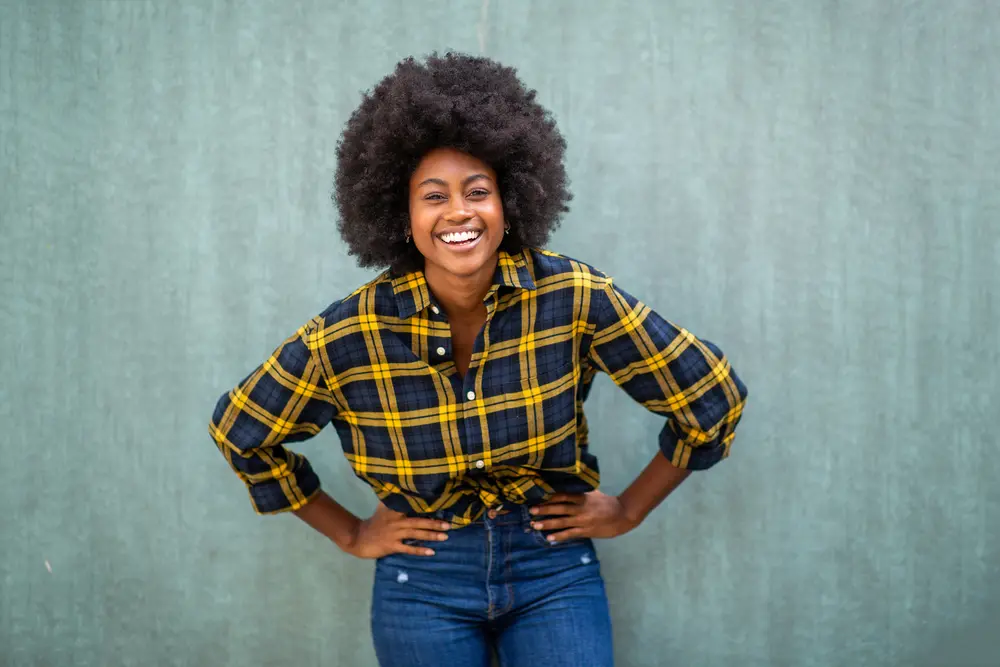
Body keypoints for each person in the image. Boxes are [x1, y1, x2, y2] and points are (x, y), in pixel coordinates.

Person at [208, 52, 748, 667]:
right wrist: (352, 532)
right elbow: (242, 434)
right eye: (433, 195)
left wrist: (628, 508)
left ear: (510, 200)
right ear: (400, 214)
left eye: (478, 191)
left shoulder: (571, 297)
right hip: (424, 578)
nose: (459, 212)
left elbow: (711, 398)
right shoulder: (350, 332)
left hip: (554, 568)